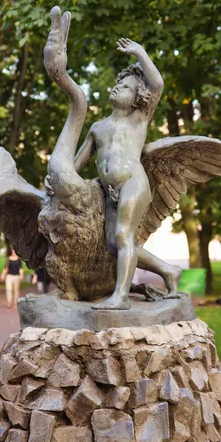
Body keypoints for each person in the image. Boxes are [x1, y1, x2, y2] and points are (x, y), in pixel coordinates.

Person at [70, 38, 181, 310]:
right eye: (119, 83)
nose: (119, 87)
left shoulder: (138, 119)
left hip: (133, 182)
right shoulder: (98, 127)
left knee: (122, 237)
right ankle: (168, 271)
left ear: (138, 99)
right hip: (109, 191)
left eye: (127, 87)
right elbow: (78, 162)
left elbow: (157, 85)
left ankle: (120, 298)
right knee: (113, 244)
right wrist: (58, 177)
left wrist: (140, 52)